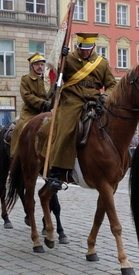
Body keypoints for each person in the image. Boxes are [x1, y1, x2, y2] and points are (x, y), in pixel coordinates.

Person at [44, 33, 117, 190]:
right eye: (81, 49)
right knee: (66, 129)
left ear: (93, 48)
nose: (83, 52)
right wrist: (60, 61)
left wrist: (106, 96)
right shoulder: (69, 59)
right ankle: (56, 171)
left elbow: (112, 84)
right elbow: (56, 77)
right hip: (72, 99)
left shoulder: (102, 63)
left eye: (86, 49)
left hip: (95, 100)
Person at [11, 52, 51, 158]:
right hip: (31, 111)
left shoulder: (48, 80)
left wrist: (52, 102)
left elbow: (52, 93)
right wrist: (42, 103)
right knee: (21, 127)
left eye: (42, 64)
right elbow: (26, 96)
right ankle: (17, 154)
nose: (40, 67)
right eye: (37, 64)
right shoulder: (26, 79)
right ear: (32, 66)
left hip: (48, 111)